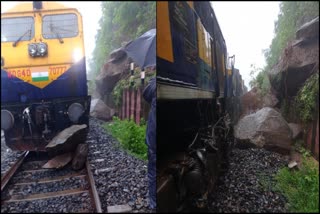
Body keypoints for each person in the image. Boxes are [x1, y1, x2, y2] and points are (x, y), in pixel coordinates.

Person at [142, 77, 156, 210]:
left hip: (153, 137)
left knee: (153, 170)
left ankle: (153, 203)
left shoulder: (155, 83)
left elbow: (145, 94)